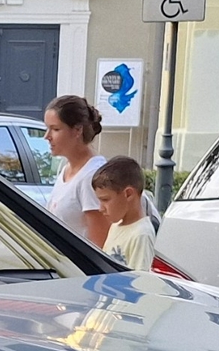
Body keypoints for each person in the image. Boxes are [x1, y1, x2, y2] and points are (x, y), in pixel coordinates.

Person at [41, 94, 108, 244]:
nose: (47, 136)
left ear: (77, 130)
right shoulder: (65, 170)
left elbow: (100, 244)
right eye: (47, 128)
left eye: (55, 129)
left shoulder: (91, 177)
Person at [93, 157, 155, 270]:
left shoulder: (141, 234)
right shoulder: (115, 226)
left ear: (128, 194)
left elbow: (138, 280)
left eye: (105, 200)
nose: (100, 209)